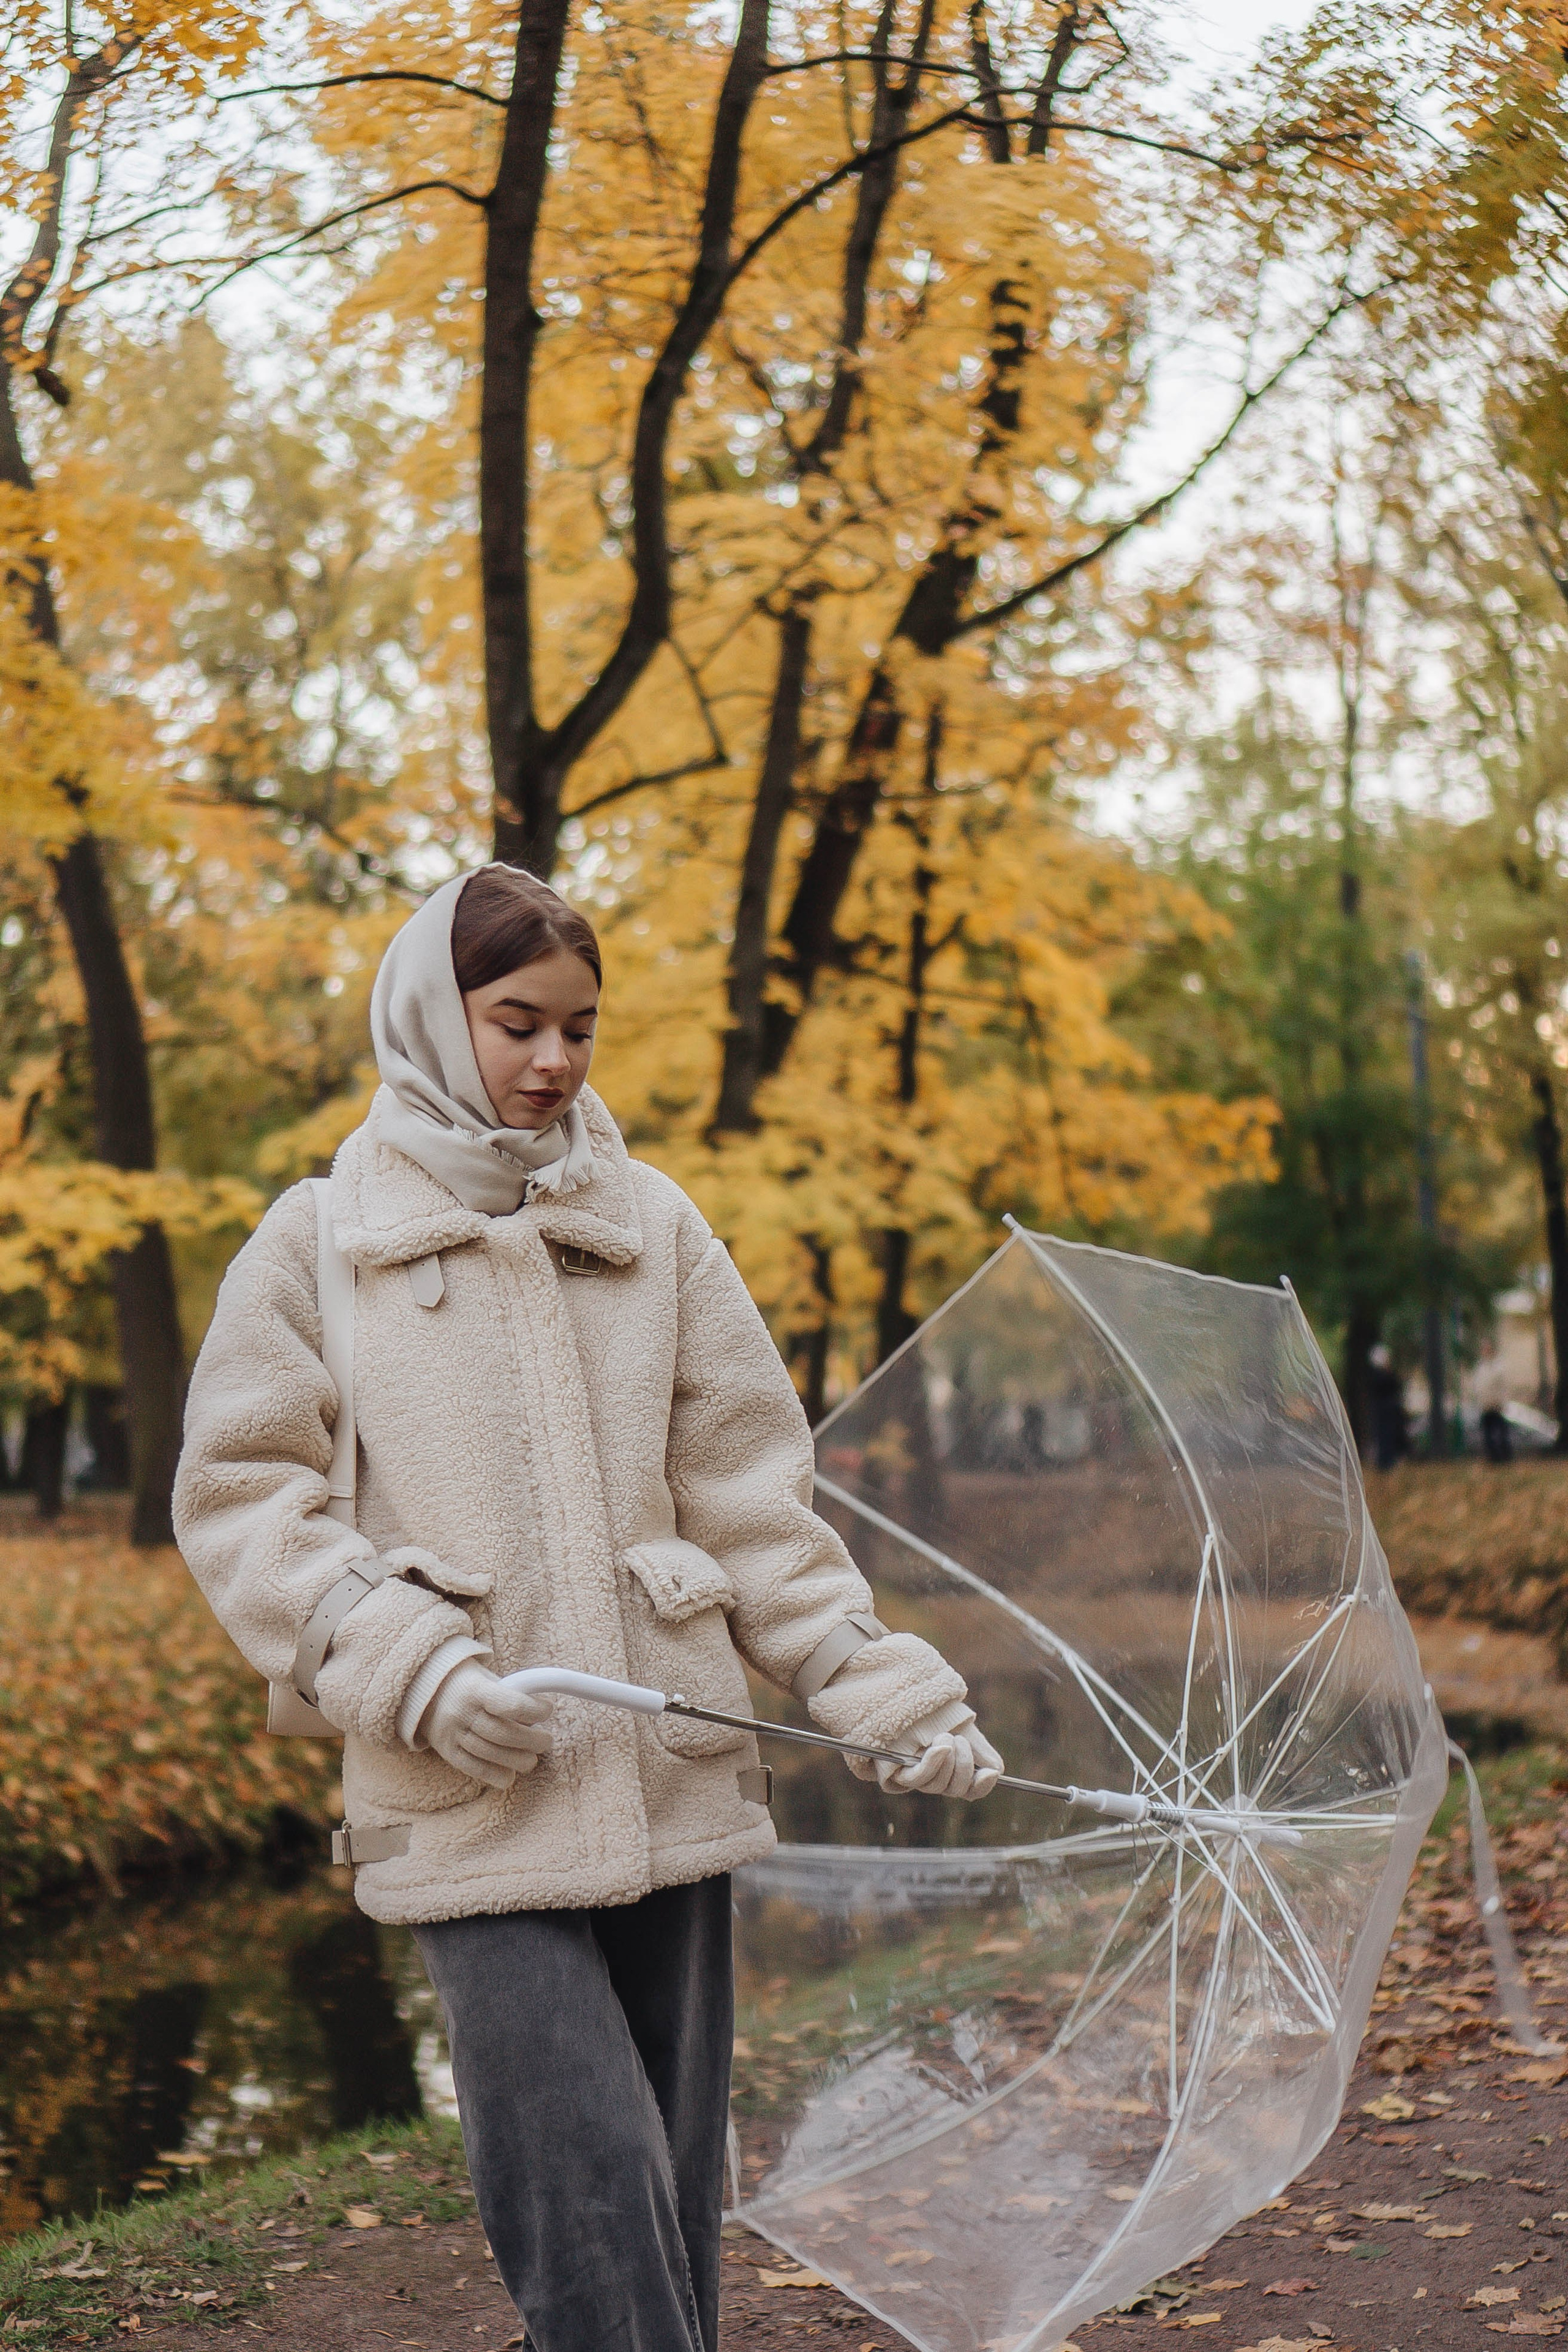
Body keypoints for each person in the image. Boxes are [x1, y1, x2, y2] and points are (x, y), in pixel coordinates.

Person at [173, 865, 1001, 2352]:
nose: (553, 1059)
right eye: (517, 1023)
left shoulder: (656, 1225)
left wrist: (878, 1690)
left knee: (669, 2186)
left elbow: (751, 1502)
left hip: (672, 1776)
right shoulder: (317, 1240)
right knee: (578, 2177)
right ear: (433, 1017)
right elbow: (242, 1500)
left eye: (578, 1026)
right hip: (465, 1795)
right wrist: (412, 1666)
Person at [1366, 1343, 1408, 1472]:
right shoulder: (1380, 1376)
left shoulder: (1379, 1375)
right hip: (1385, 1410)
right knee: (1385, 1435)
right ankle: (1385, 1462)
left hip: (1386, 1410)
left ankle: (1388, 1461)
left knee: (1388, 1435)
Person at [1472, 1340, 1514, 1464]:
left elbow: (1503, 1387)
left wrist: (1502, 1402)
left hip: (1496, 1406)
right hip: (1485, 1406)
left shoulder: (1498, 1367)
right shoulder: (1480, 1367)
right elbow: (1478, 1386)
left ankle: (1505, 1457)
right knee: (1488, 1434)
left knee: (1501, 1433)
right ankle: (1493, 1457)